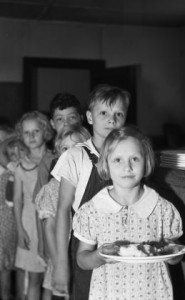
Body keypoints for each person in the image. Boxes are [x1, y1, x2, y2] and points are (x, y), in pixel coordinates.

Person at [72, 126, 183, 300]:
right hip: (108, 294)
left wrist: (172, 252)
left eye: (135, 159)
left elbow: (174, 258)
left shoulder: (162, 209)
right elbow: (82, 259)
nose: (127, 167)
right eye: (117, 160)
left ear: (146, 162)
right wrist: (99, 256)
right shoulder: (93, 210)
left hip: (153, 293)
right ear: (106, 164)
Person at [51, 85, 131, 299]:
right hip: (85, 248)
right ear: (89, 116)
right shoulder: (76, 156)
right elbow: (62, 211)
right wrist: (60, 264)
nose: (111, 120)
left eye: (118, 114)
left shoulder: (129, 156)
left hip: (122, 243)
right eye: (103, 113)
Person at [35, 126, 90, 300]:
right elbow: (49, 227)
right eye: (65, 149)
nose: (69, 155)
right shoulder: (53, 188)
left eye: (76, 148)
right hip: (62, 258)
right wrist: (59, 263)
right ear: (58, 154)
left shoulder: (89, 182)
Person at [13, 111, 54, 300]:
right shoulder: (21, 165)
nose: (31, 136)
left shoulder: (55, 159)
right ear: (21, 135)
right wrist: (20, 231)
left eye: (35, 131)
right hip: (30, 223)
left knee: (52, 279)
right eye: (26, 132)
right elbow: (18, 201)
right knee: (35, 277)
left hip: (52, 222)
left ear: (45, 131)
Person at [32, 92, 84, 200]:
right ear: (52, 123)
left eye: (72, 117)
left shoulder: (91, 154)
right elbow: (40, 203)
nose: (66, 123)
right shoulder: (48, 161)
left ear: (81, 119)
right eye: (60, 119)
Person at [0, 136, 27, 300]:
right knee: (6, 266)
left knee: (20, 266)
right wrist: (15, 136)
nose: (16, 154)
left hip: (21, 223)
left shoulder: (28, 169)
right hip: (7, 226)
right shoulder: (11, 171)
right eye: (12, 153)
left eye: (20, 150)